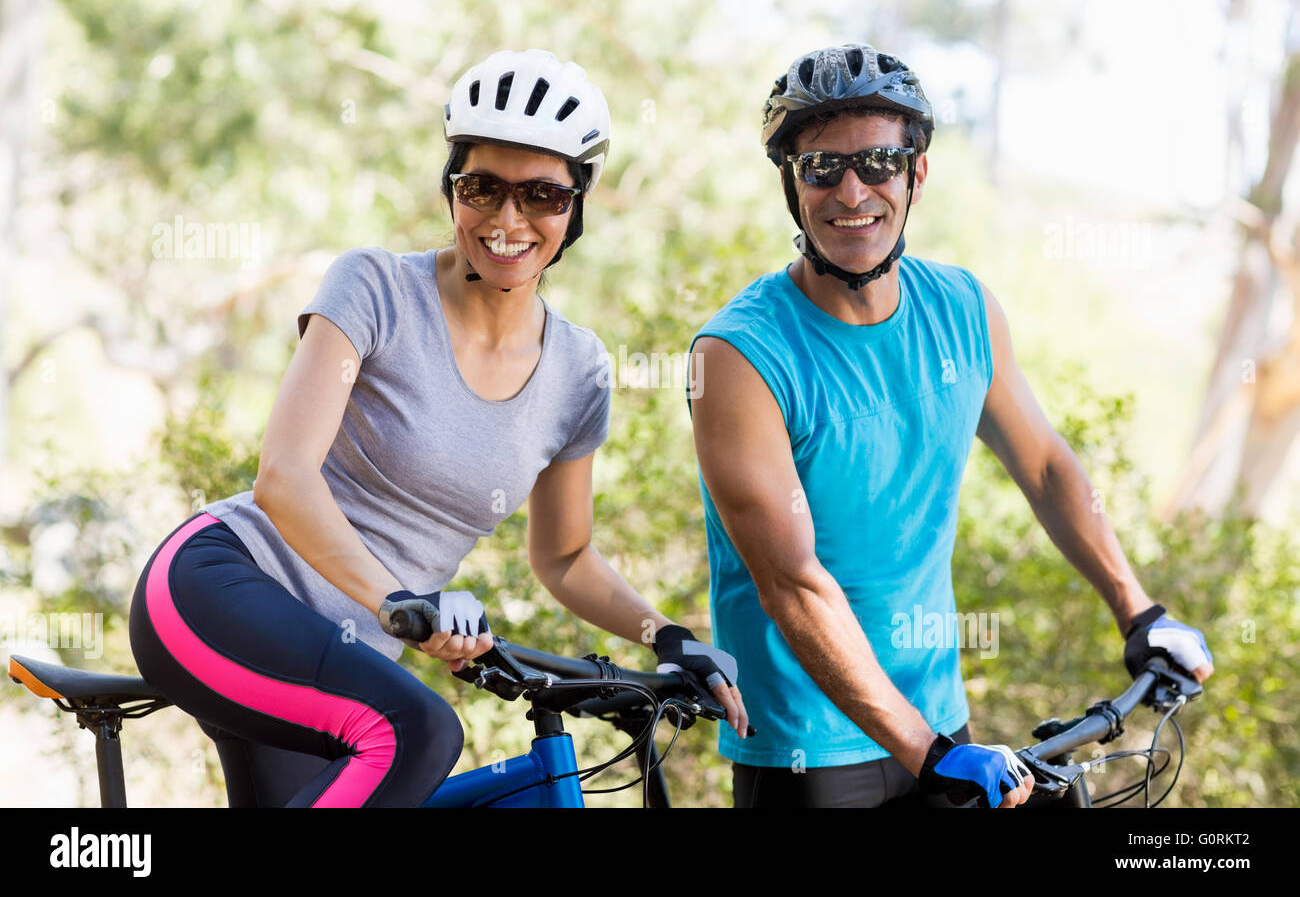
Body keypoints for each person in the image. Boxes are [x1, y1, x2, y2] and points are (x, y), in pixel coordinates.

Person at [129, 48, 746, 808]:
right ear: (451, 189)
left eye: (542, 195)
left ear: (577, 207)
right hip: (216, 586)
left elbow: (566, 556)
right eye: (482, 188)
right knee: (418, 731)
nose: (508, 220)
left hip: (334, 655)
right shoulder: (377, 288)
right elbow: (284, 477)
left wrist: (665, 636)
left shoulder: (579, 371)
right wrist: (400, 604)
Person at [686, 44, 1213, 808]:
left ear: (917, 173)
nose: (851, 191)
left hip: (940, 724)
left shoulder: (963, 309)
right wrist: (927, 752)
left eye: (877, 162)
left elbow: (1044, 468)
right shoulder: (739, 355)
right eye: (821, 168)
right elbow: (793, 585)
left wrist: (1140, 610)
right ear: (790, 184)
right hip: (810, 749)